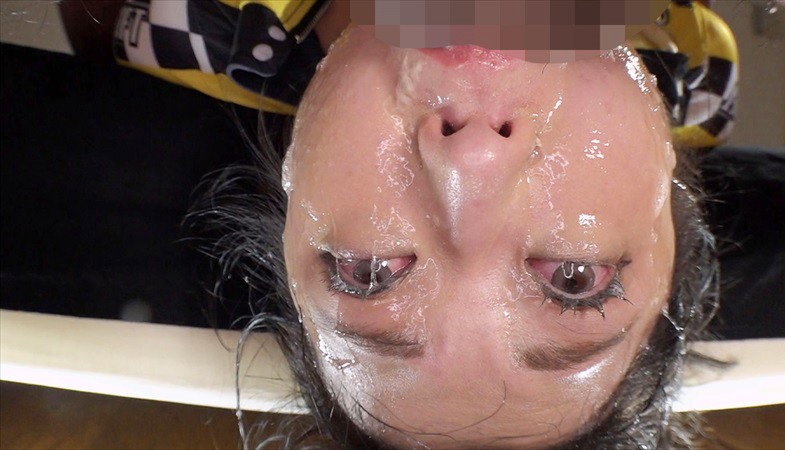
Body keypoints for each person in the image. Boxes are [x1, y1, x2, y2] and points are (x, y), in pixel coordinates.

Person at [62, 0, 737, 448]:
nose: (472, 159)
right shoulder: (703, 79)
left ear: (291, 188)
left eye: (371, 272)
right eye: (575, 277)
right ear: (675, 199)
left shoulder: (185, 28)